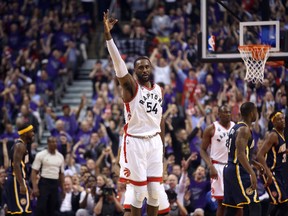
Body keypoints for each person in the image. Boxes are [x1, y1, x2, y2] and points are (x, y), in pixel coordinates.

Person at [103, 10, 165, 216]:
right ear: (135, 70)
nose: (145, 69)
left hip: (154, 141)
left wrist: (162, 143)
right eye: (140, 67)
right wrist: (108, 37)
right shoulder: (130, 86)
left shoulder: (158, 90)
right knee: (138, 195)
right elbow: (118, 65)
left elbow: (159, 120)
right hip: (135, 142)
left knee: (155, 193)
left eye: (147, 66)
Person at [223, 102, 264, 216]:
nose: (257, 114)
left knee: (232, 209)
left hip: (230, 168)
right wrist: (252, 173)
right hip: (237, 169)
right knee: (255, 204)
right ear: (251, 113)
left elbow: (238, 152)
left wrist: (254, 163)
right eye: (256, 111)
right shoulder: (244, 130)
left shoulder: (235, 127)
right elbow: (240, 154)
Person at [200, 105, 235, 216]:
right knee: (222, 203)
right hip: (218, 167)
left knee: (237, 202)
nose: (227, 114)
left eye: (229, 112)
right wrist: (210, 166)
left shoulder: (236, 127)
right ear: (218, 114)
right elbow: (202, 150)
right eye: (224, 112)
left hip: (232, 166)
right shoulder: (211, 128)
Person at [256, 111, 288, 216]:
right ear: (274, 123)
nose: (282, 121)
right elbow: (259, 155)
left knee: (278, 204)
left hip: (280, 174)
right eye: (279, 119)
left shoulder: (282, 134)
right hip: (271, 173)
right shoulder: (273, 135)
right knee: (284, 203)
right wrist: (268, 173)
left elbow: (279, 153)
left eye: (283, 118)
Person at [4, 122, 35, 215]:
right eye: (31, 132)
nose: (33, 134)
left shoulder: (22, 145)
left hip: (17, 179)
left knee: (15, 211)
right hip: (16, 180)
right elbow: (16, 165)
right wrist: (22, 184)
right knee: (21, 211)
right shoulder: (20, 146)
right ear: (25, 133)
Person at [31, 136, 65, 216]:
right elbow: (34, 171)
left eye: (56, 142)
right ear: (48, 143)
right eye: (52, 142)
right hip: (44, 182)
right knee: (41, 207)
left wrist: (63, 189)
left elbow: (61, 174)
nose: (54, 144)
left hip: (55, 183)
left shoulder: (60, 156)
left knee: (53, 208)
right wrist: (35, 187)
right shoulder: (41, 155)